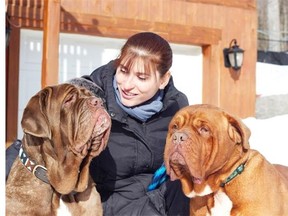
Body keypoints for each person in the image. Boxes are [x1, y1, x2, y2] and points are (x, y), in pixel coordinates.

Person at [6, 32, 190, 215]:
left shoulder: (177, 108)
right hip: (103, 203)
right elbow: (37, 145)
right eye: (123, 71)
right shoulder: (89, 97)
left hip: (156, 200)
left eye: (141, 78)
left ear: (163, 80)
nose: (127, 85)